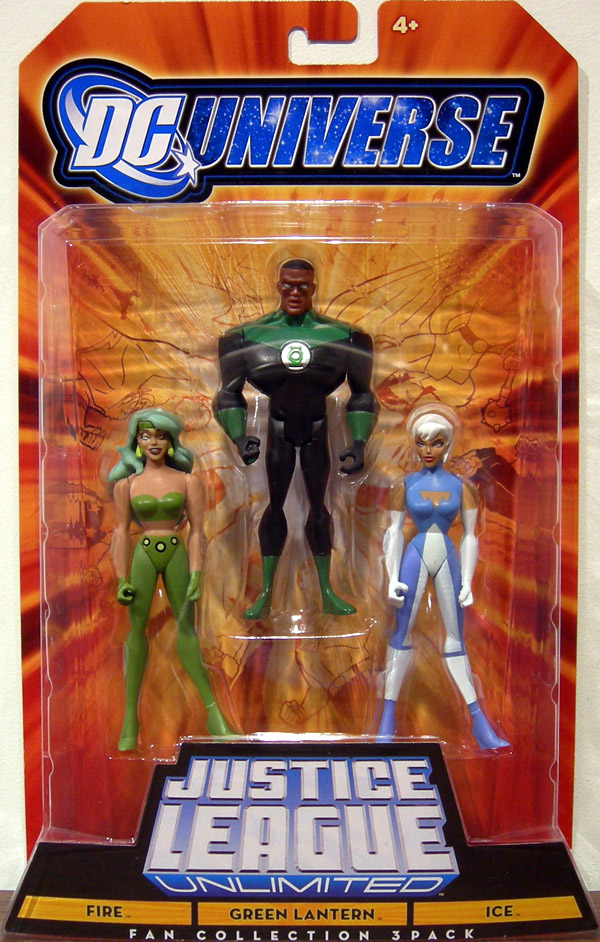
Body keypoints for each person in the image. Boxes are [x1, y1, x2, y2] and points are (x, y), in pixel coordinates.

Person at [214, 258, 376, 618]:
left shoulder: (347, 338)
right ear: (278, 285)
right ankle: (266, 594)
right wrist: (239, 437)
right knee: (274, 507)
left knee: (319, 508)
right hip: (278, 431)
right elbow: (228, 394)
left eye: (302, 285)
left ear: (314, 287)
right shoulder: (243, 339)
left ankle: (327, 592)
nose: (295, 292)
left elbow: (362, 394)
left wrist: (359, 442)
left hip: (318, 430)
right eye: (288, 284)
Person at [378, 407, 508, 749]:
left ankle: (479, 723)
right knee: (401, 633)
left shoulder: (462, 487)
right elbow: (393, 532)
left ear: (447, 445)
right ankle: (386, 719)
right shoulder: (404, 485)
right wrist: (391, 577)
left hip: (448, 558)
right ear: (414, 444)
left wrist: (468, 580)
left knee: (455, 639)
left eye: (436, 443)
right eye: (422, 443)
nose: (428, 450)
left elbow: (470, 536)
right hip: (415, 555)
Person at [109, 407, 231, 749]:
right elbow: (120, 532)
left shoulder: (188, 481)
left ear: (171, 441)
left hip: (176, 552)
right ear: (136, 441)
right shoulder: (126, 485)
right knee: (136, 630)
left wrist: (196, 572)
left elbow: (198, 532)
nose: (154, 442)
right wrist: (120, 579)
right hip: (144, 555)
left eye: (161, 436)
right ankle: (130, 720)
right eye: (146, 436)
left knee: (187, 628)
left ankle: (214, 714)